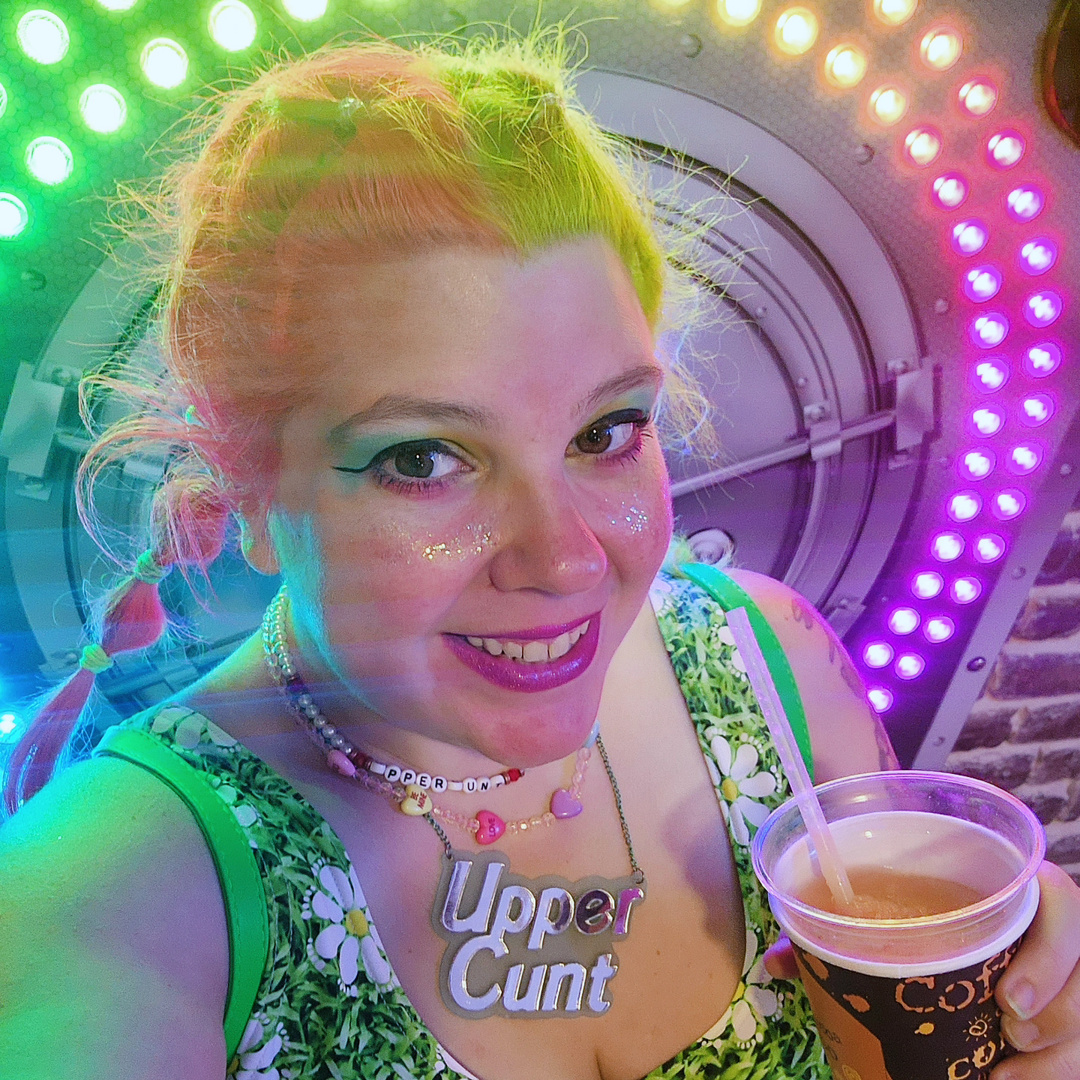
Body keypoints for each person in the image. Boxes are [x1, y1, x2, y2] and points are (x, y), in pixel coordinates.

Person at [1, 32, 1078, 1080]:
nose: (565, 563)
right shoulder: (114, 891)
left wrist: (1031, 1007)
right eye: (423, 459)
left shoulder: (769, 659)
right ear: (252, 486)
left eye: (606, 432)